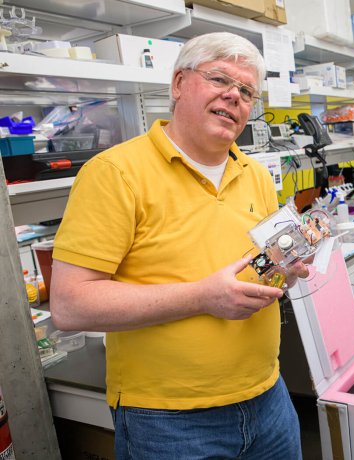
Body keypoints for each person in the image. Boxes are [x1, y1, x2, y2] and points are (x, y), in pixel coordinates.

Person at [50, 32, 307, 459]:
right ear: (178, 84)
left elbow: (266, 267)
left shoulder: (257, 175)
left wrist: (288, 270)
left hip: (269, 398)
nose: (234, 96)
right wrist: (202, 297)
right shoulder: (115, 173)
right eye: (219, 79)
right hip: (168, 420)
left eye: (246, 91)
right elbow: (70, 306)